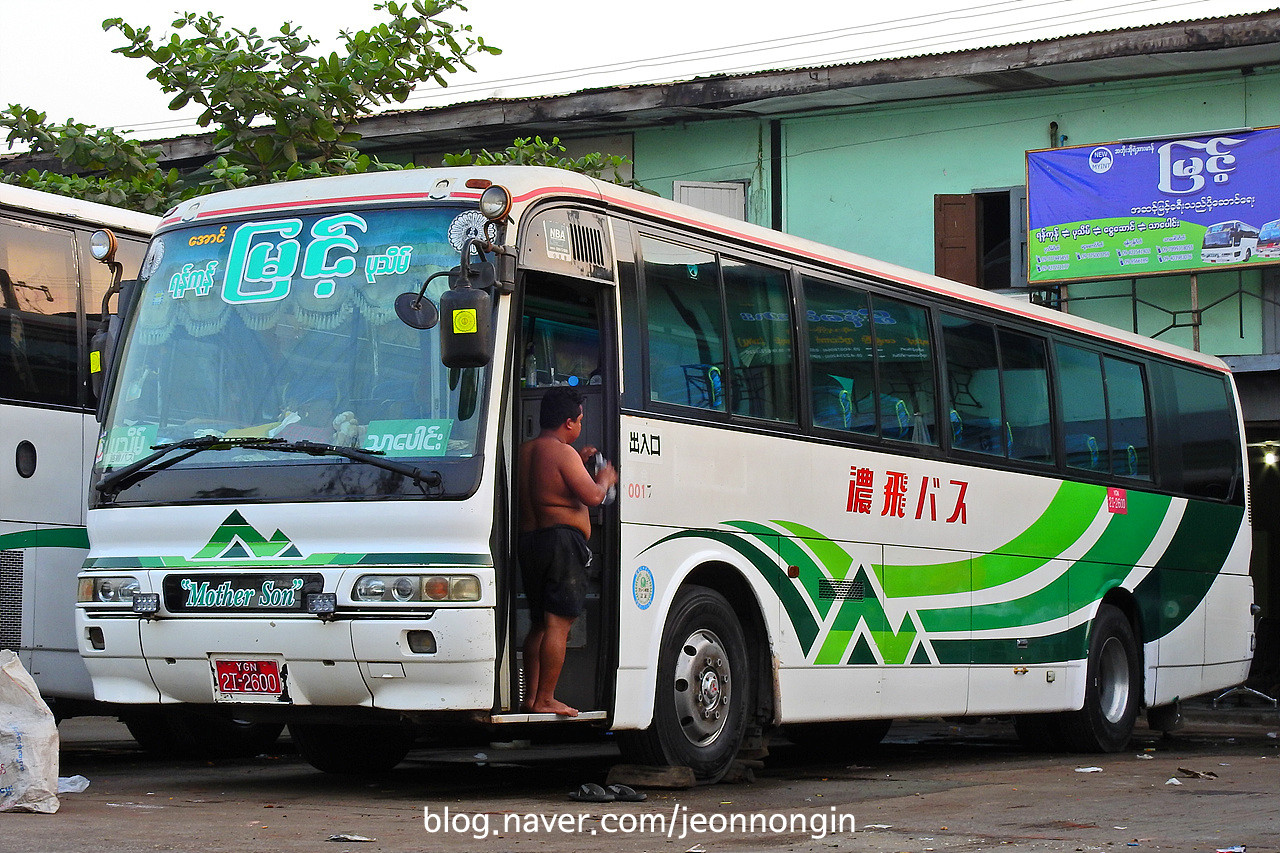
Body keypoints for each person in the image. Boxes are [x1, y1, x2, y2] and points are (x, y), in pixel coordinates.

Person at [518, 386, 617, 716]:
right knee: (559, 624)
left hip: (532, 543)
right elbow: (592, 497)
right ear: (568, 422)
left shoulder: (526, 450)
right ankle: (547, 698)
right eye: (579, 420)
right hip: (561, 545)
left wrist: (581, 460)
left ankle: (531, 697)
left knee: (539, 625)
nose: (579, 426)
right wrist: (604, 478)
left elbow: (552, 486)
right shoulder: (561, 452)